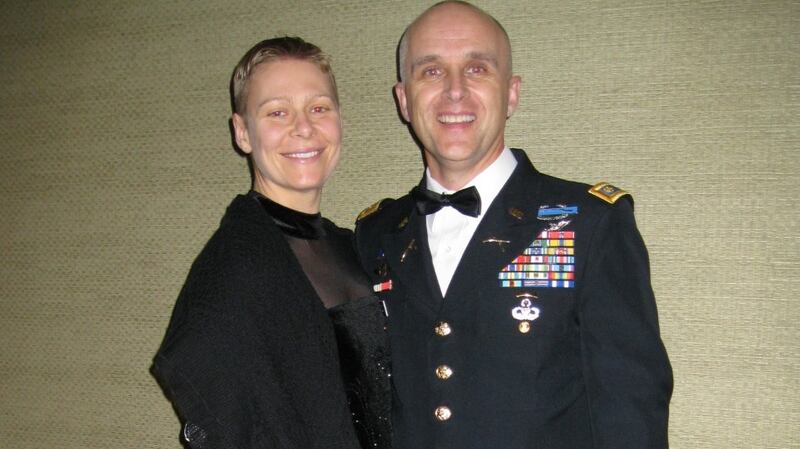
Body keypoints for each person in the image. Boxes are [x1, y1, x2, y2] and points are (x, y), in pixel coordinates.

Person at [354, 2, 673, 448]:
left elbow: (631, 415)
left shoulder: (590, 223)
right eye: (431, 72)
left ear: (512, 93)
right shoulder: (375, 235)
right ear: (404, 100)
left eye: (477, 69)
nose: (455, 91)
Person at [153, 37, 390, 449]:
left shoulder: (353, 245)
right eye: (277, 112)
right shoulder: (233, 273)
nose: (304, 127)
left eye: (319, 108)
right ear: (242, 133)